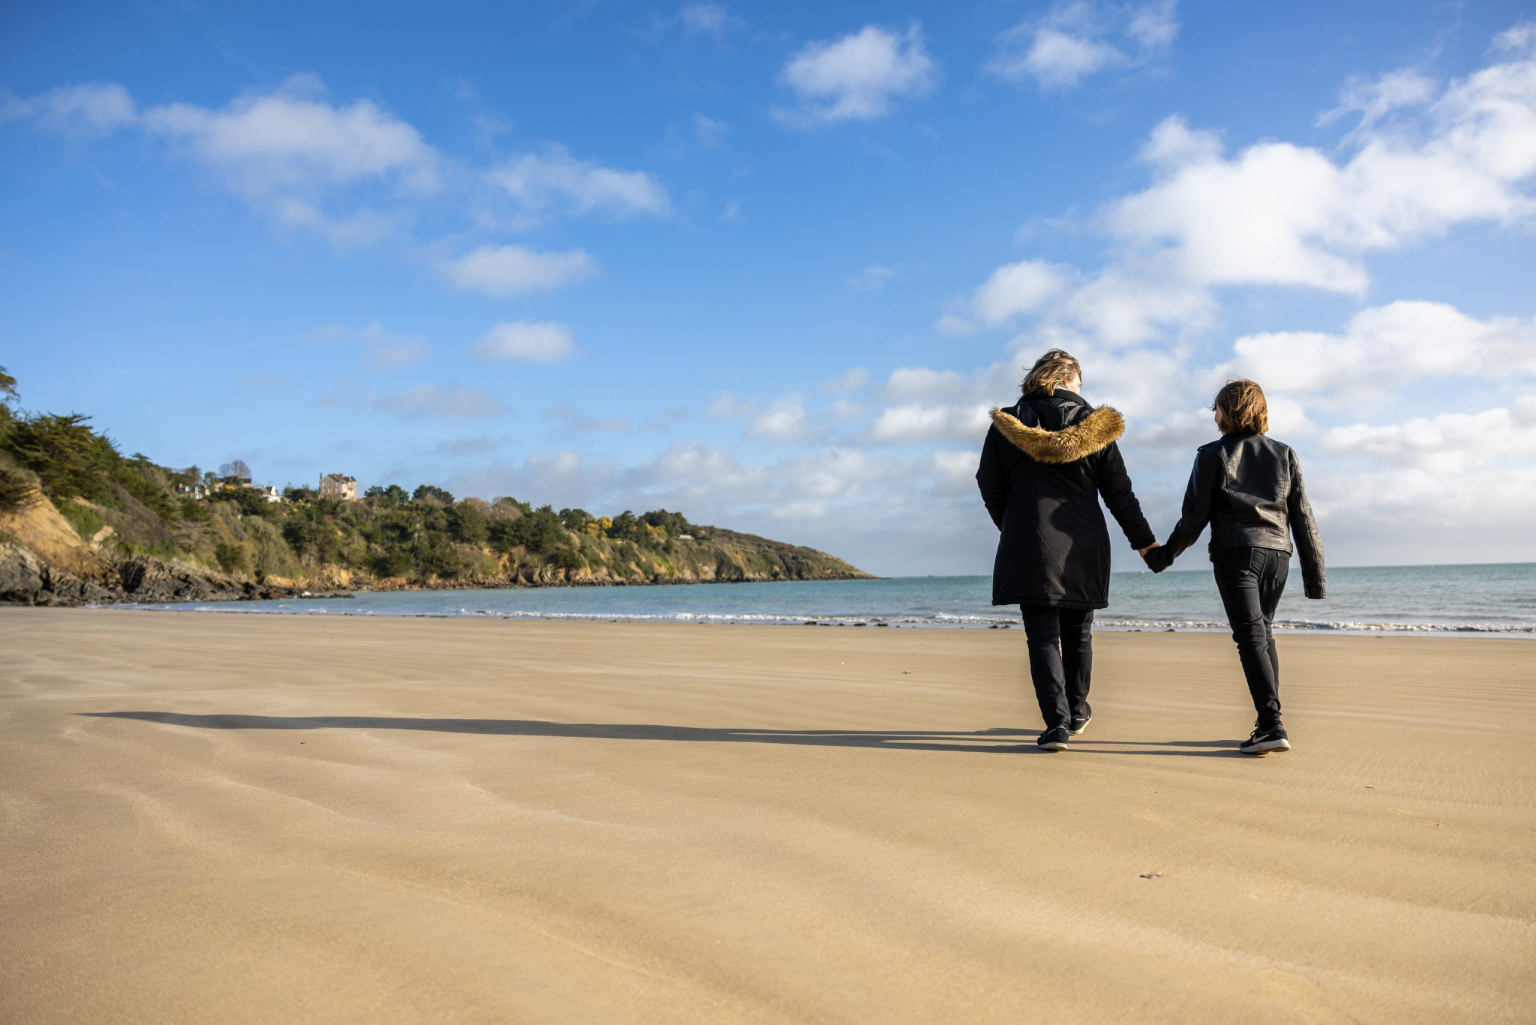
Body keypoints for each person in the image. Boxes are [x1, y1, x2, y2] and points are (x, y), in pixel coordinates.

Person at [976, 349, 1157, 752]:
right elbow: (1119, 495)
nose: (1081, 390)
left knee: (1041, 636)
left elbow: (988, 483)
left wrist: (1013, 524)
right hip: (1084, 543)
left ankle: (1055, 725)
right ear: (1065, 379)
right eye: (1079, 382)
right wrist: (1145, 544)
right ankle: (1076, 712)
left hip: (1028, 541)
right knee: (1079, 634)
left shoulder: (1006, 425)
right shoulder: (1095, 426)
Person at [1144, 379, 1325, 755]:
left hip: (1237, 553)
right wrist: (1314, 576)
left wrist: (1162, 557)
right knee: (1263, 632)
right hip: (1279, 555)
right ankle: (1268, 722)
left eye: (1217, 408)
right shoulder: (1284, 453)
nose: (1214, 415)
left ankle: (1272, 724)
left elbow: (1193, 518)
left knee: (1251, 638)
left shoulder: (1211, 455)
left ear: (1229, 411)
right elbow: (1303, 518)